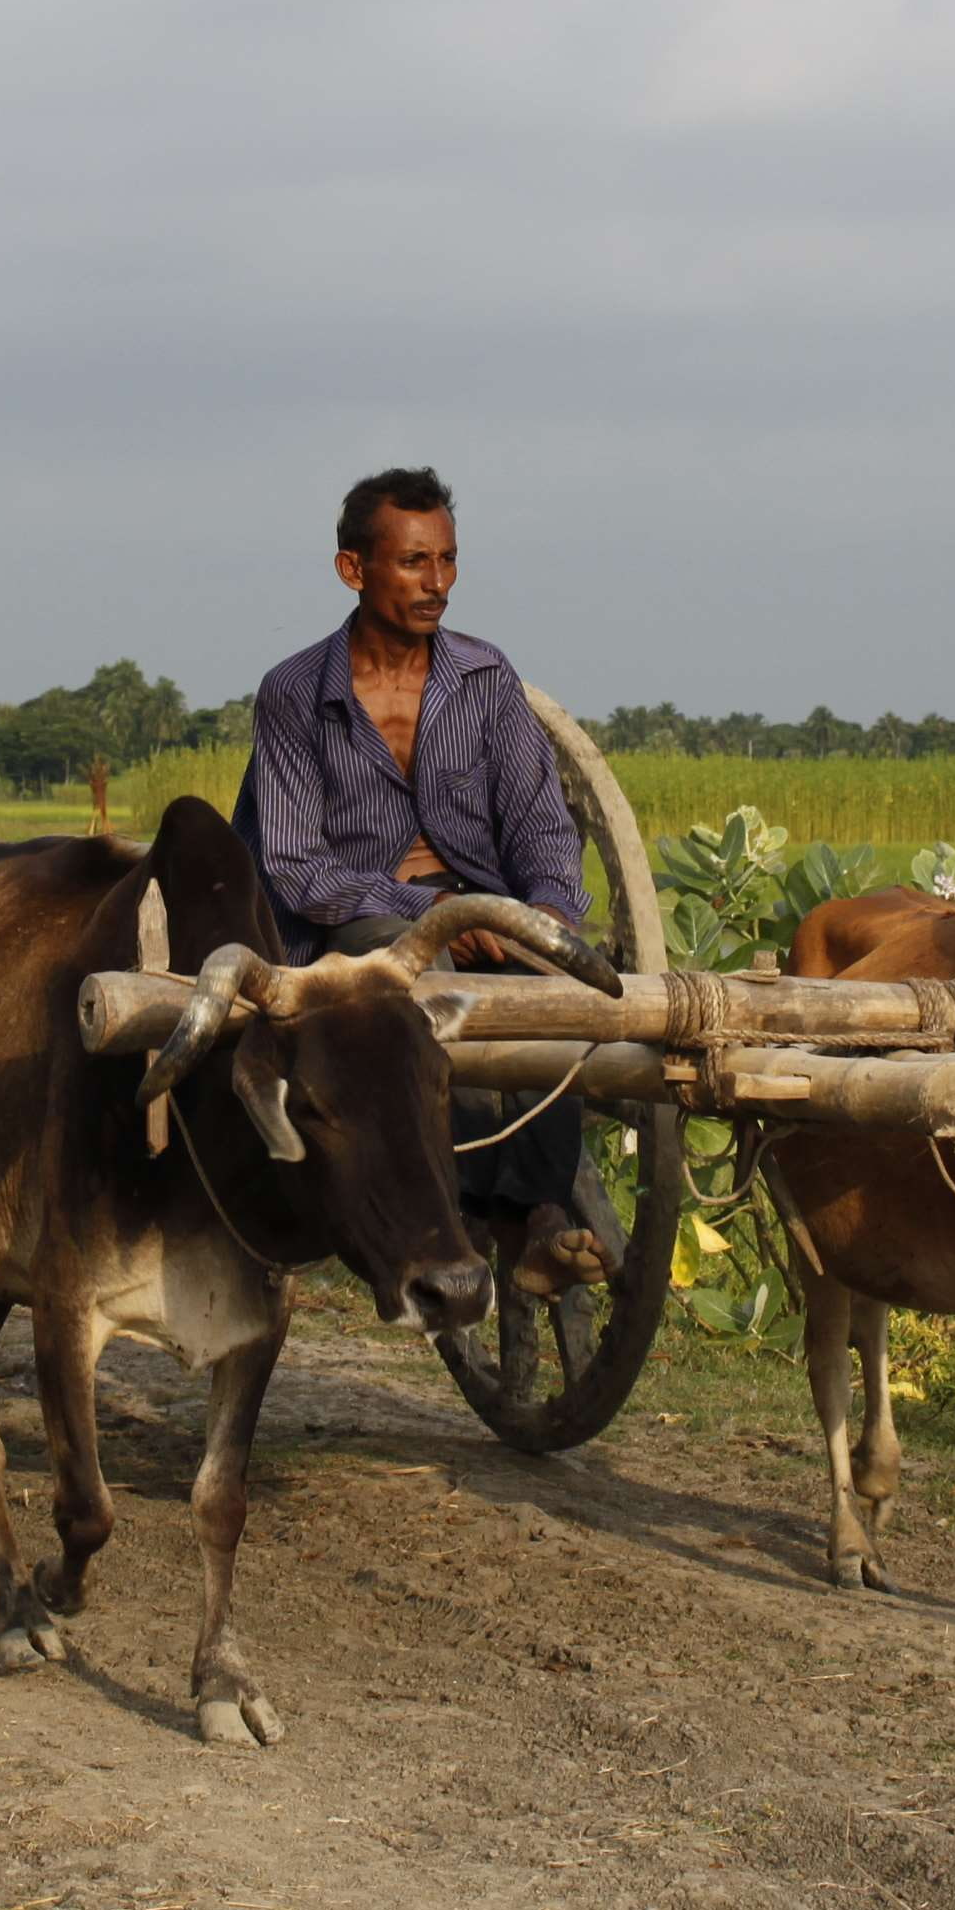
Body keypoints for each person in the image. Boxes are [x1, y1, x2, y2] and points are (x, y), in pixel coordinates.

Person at [234, 466, 610, 1298]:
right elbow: (298, 866)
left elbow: (542, 825)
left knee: (559, 992)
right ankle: (484, 1211)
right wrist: (433, 912)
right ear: (353, 569)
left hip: (487, 909)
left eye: (445, 560)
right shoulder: (295, 693)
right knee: (424, 1002)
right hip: (363, 923)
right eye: (412, 562)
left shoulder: (485, 678)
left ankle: (540, 1211)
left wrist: (537, 915)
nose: (435, 583)